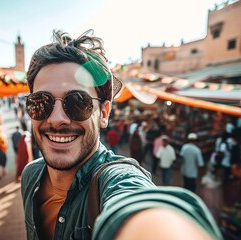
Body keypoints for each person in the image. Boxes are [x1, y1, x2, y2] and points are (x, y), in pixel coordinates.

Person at [20, 30, 221, 240]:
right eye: (40, 103)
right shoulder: (30, 176)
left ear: (104, 113)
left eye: (78, 102)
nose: (56, 119)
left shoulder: (118, 180)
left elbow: (138, 206)